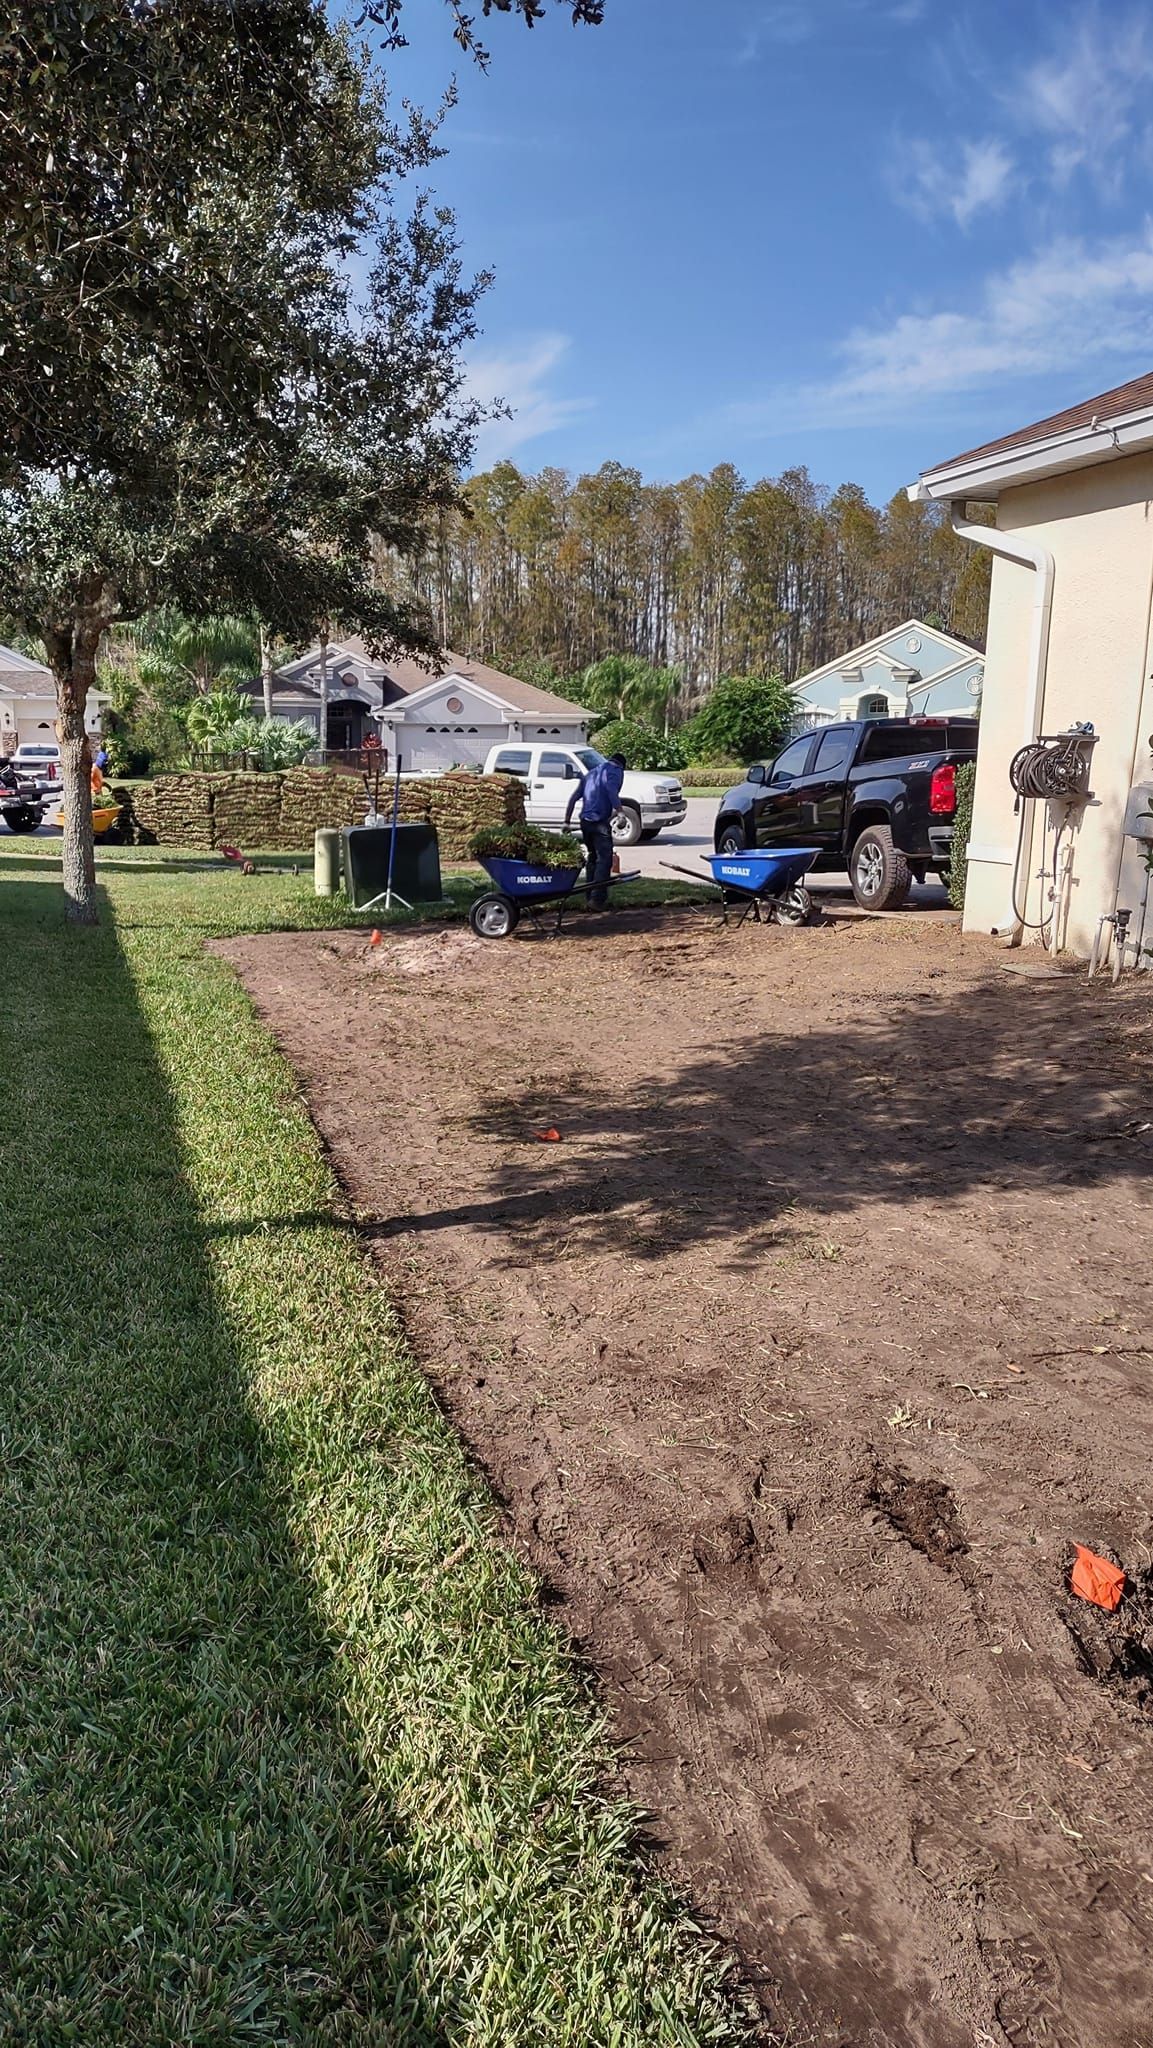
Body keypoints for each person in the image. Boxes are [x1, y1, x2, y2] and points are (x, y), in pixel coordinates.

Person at [564, 751, 626, 910]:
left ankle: (589, 896)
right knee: (604, 860)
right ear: (622, 765)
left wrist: (567, 821)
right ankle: (597, 900)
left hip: (585, 822)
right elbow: (612, 790)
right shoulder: (615, 771)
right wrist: (620, 812)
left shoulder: (592, 773)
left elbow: (573, 797)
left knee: (592, 857)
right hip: (599, 822)